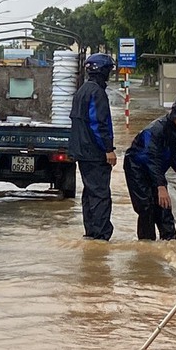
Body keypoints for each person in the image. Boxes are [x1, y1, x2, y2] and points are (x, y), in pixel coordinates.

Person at [125, 97, 176, 240]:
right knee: (146, 207)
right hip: (137, 168)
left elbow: (171, 153)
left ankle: (170, 242)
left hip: (156, 169)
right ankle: (146, 244)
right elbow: (151, 158)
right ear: (175, 115)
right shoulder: (155, 130)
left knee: (164, 207)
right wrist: (161, 186)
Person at [69, 52, 119, 241]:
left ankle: (91, 232)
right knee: (100, 194)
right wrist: (108, 149)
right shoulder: (97, 93)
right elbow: (99, 124)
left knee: (90, 193)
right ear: (103, 71)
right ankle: (101, 236)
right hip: (94, 152)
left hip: (82, 152)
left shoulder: (82, 90)